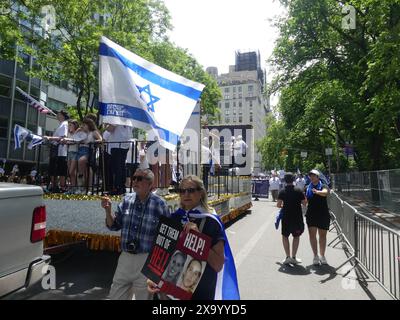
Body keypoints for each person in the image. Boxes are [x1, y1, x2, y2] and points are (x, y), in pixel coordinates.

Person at [147, 175, 240, 300]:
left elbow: (218, 264)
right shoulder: (173, 218)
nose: (186, 194)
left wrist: (198, 239)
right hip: (169, 293)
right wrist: (152, 278)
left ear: (201, 193)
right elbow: (161, 255)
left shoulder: (212, 222)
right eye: (182, 191)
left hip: (201, 293)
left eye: (191, 190)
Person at [101, 168, 170, 300]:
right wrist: (107, 210)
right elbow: (113, 226)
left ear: (150, 184)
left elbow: (166, 236)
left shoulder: (159, 204)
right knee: (115, 296)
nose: (135, 181)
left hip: (146, 260)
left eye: (139, 179)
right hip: (125, 258)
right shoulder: (126, 200)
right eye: (134, 178)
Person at [277, 173, 307, 265]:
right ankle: (294, 257)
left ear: (285, 180)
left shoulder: (282, 191)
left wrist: (284, 205)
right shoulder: (298, 190)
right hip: (297, 217)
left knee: (285, 236)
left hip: (286, 217)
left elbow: (278, 205)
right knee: (296, 236)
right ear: (294, 179)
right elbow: (304, 203)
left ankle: (287, 257)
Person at [305, 169, 331, 265]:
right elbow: (304, 201)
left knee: (322, 236)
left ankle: (322, 255)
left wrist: (317, 192)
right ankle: (315, 256)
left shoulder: (323, 186)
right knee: (312, 235)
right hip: (311, 214)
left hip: (323, 214)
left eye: (313, 175)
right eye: (310, 175)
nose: (311, 177)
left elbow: (325, 193)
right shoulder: (307, 188)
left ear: (318, 177)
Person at [105, 124, 132, 195]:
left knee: (117, 167)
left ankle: (117, 187)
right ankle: (121, 187)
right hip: (124, 144)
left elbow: (110, 128)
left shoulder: (116, 118)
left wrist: (106, 125)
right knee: (121, 166)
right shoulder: (128, 118)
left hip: (117, 144)